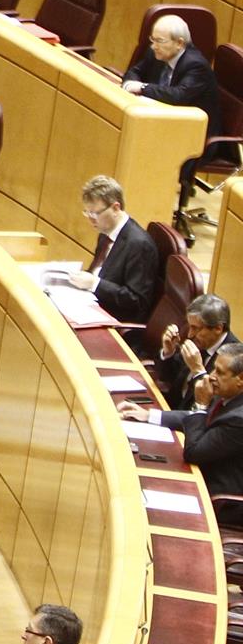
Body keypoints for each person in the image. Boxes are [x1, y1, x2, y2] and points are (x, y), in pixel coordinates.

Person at [122, 346, 243, 521]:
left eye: (220, 372)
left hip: (219, 500)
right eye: (214, 368)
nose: (211, 376)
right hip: (201, 474)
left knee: (137, 501)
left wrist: (201, 405)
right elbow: (200, 419)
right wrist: (150, 415)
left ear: (240, 379)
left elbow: (194, 452)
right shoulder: (231, 395)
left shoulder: (239, 419)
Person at [122, 14, 220, 204]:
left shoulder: (195, 65)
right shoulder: (157, 52)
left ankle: (146, 203)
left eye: (160, 41)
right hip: (163, 122)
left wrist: (142, 88)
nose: (153, 46)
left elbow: (177, 96)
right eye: (152, 39)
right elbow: (135, 71)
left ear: (179, 43)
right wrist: (130, 83)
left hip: (195, 136)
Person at [66, 174, 160, 324]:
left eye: (95, 213)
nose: (91, 219)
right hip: (93, 306)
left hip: (117, 322)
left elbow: (136, 300)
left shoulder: (139, 245)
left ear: (116, 208)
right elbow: (99, 273)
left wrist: (94, 284)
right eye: (87, 213)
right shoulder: (105, 233)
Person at [155, 293, 240, 412]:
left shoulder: (233, 359)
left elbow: (212, 409)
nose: (190, 334)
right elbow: (167, 378)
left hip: (190, 422)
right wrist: (169, 352)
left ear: (218, 328)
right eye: (189, 327)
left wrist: (198, 370)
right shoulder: (200, 342)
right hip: (169, 408)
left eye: (195, 328)